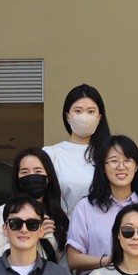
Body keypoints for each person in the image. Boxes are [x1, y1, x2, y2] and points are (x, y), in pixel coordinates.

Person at [67, 135, 138, 274]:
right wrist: (109, 261)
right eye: (114, 161)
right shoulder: (86, 207)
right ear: (103, 167)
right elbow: (73, 259)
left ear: (136, 166)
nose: (121, 167)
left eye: (128, 160)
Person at [0, 148, 70, 265]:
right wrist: (30, 236)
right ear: (17, 178)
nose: (31, 176)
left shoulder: (58, 213)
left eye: (38, 171)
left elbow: (61, 259)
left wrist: (47, 236)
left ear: (49, 176)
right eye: (25, 172)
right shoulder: (4, 211)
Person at [44, 83, 110, 216]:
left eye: (91, 111)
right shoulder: (51, 154)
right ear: (68, 117)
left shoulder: (110, 153)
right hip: (63, 226)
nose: (84, 117)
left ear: (99, 118)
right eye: (78, 111)